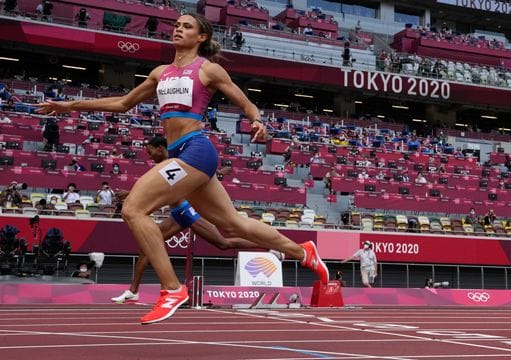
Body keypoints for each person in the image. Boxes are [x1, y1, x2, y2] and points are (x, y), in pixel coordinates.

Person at [36, 13, 328, 325]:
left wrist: (256, 120)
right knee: (233, 226)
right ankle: (302, 252)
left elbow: (245, 102)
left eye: (186, 26)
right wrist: (71, 106)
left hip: (196, 150)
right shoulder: (160, 73)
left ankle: (172, 289)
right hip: (181, 154)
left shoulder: (208, 69)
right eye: (176, 24)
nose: (178, 28)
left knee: (134, 209)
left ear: (201, 37)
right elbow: (123, 103)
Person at [111, 136, 283, 303]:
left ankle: (271, 246)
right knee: (147, 247)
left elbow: (194, 178)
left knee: (223, 243)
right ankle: (132, 291)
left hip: (188, 210)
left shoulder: (175, 162)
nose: (149, 156)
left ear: (160, 149)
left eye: (150, 152)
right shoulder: (164, 166)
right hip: (177, 214)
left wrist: (219, 174)